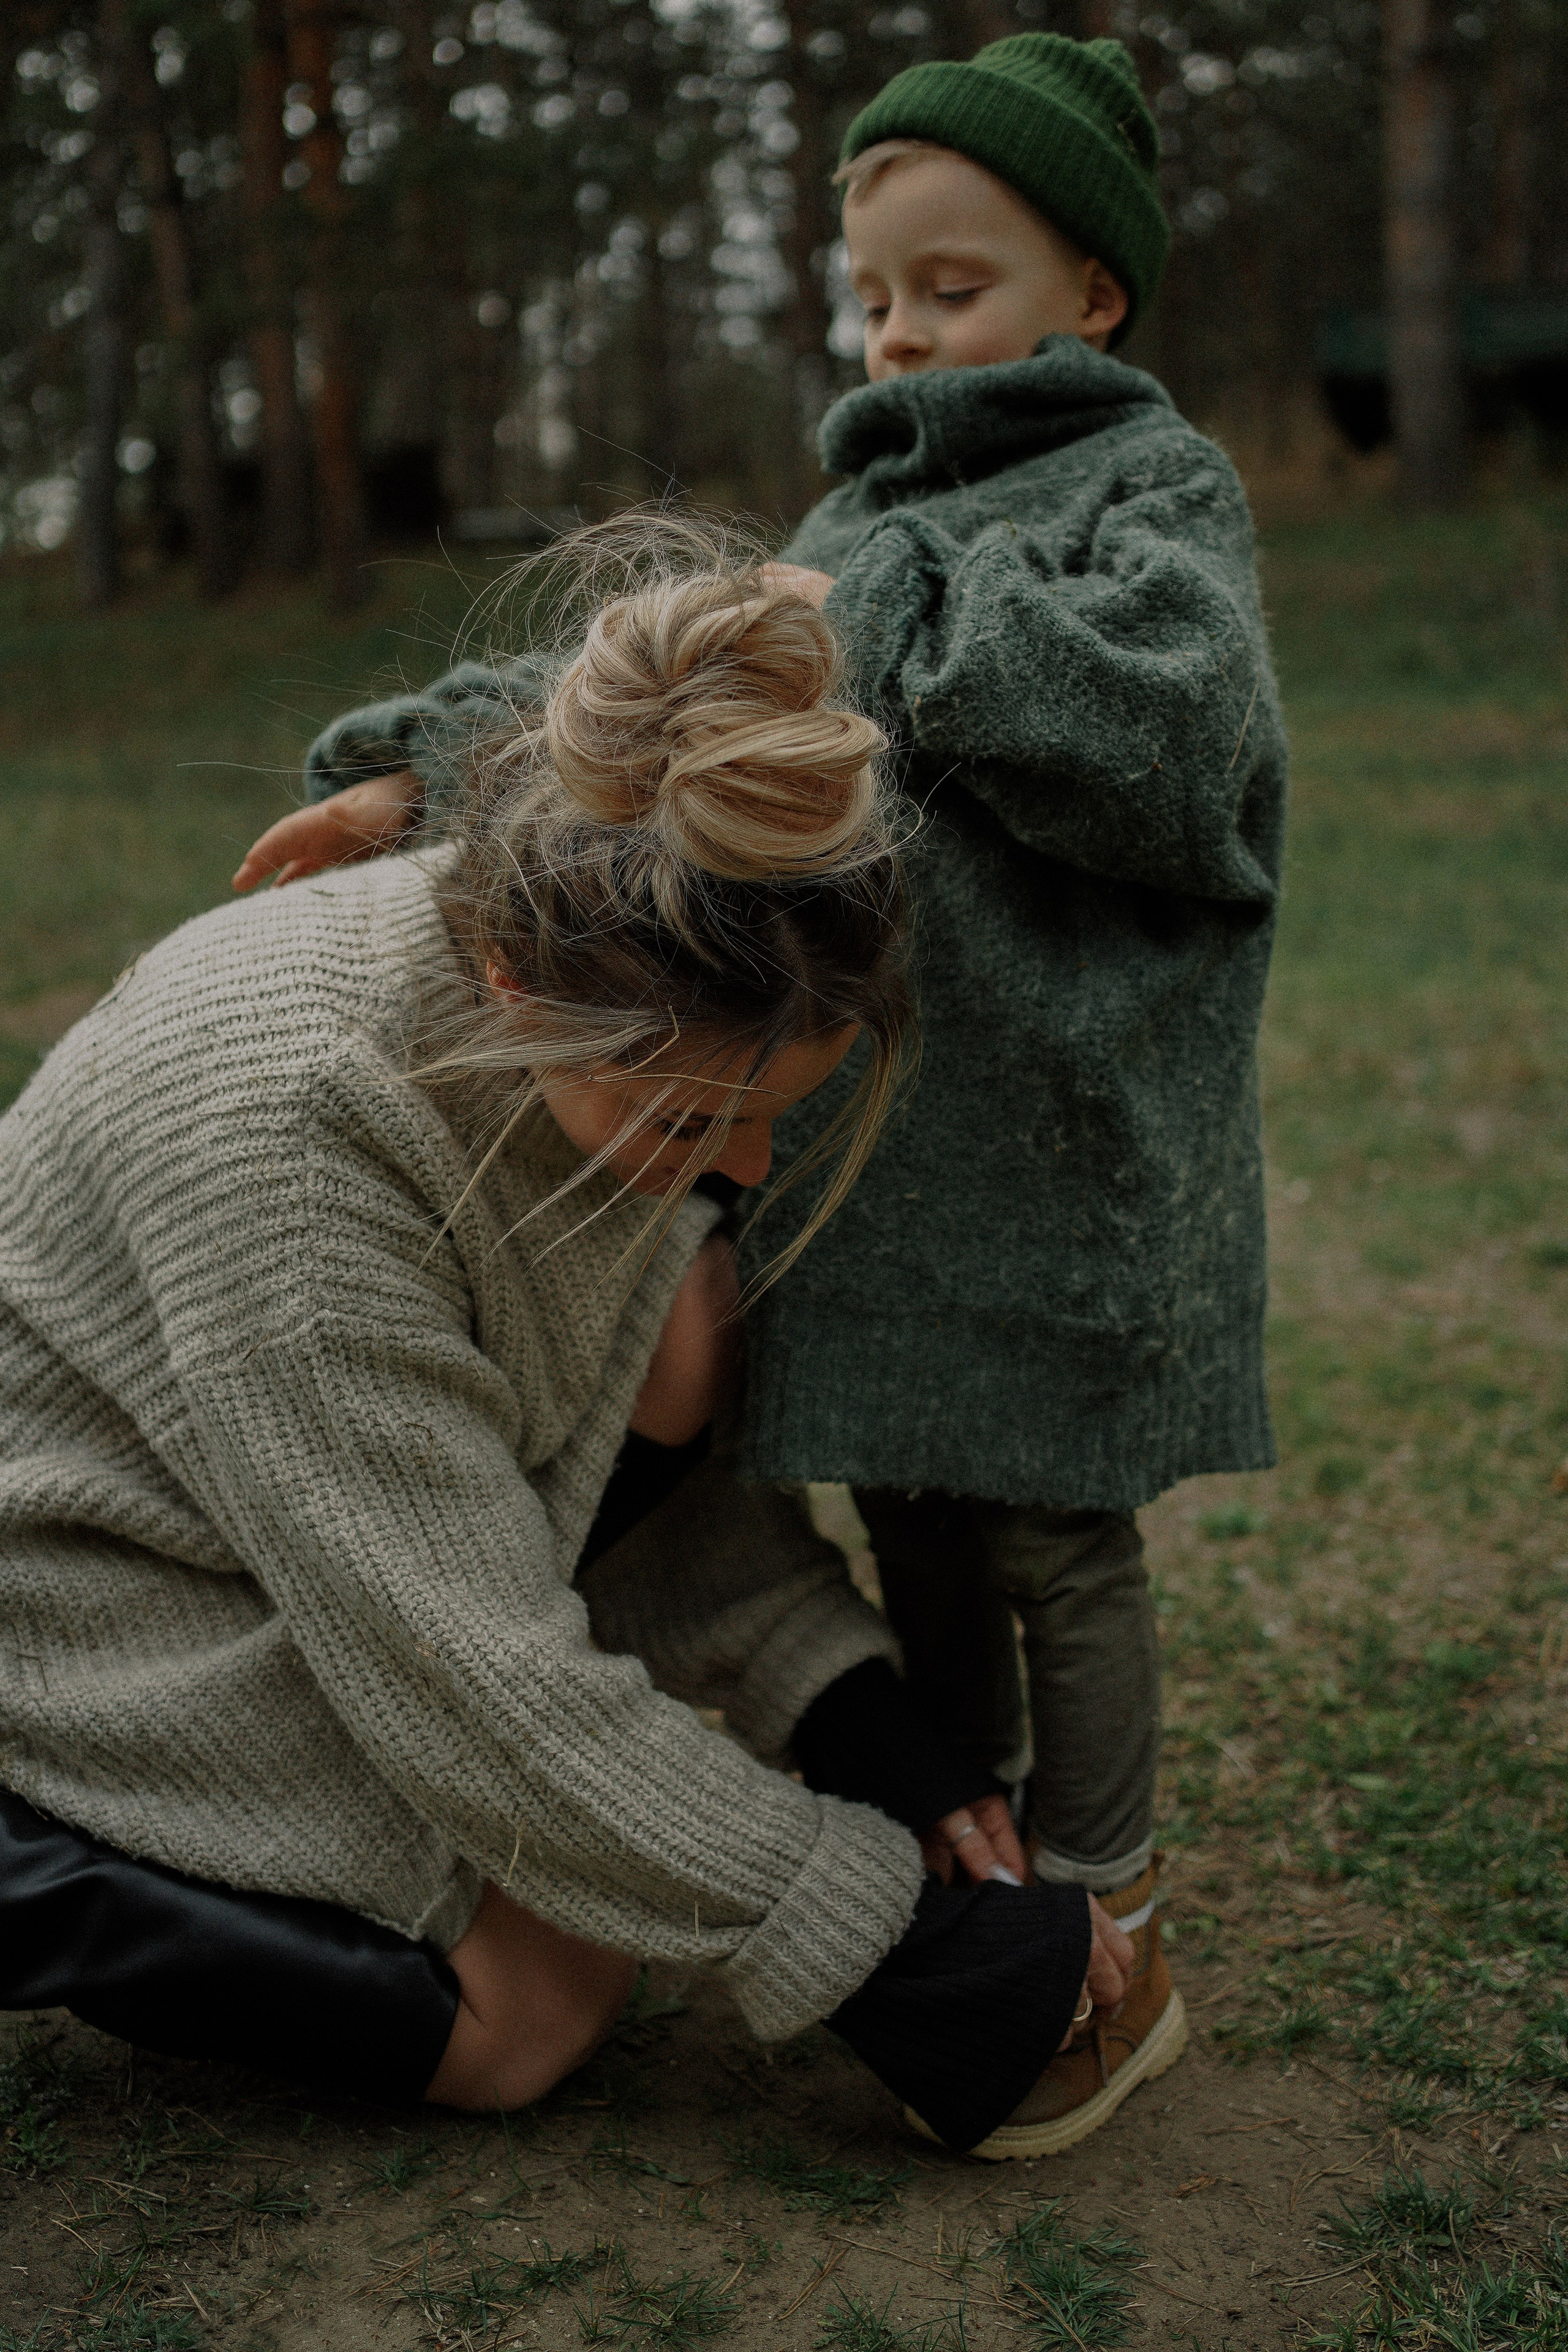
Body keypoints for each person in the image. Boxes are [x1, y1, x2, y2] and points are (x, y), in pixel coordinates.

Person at [230, 34, 1289, 2159]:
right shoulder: (860, 500)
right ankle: (961, 1829)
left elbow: (1185, 752)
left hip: (1061, 1146)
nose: (900, 333)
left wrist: (884, 609)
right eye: (875, 293)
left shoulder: (1150, 492)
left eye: (952, 288)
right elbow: (659, 689)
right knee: (911, 1513)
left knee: (1056, 1538)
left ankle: (1109, 1874)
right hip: (866, 1159)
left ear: (1094, 295)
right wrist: (423, 764)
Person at [0, 525, 1133, 2156]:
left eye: (772, 1121)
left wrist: (849, 1715)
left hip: (296, 1535)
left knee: (687, 1322)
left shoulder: (592, 998)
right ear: (513, 979)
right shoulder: (297, 1130)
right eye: (693, 1122)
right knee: (534, 2013)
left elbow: (582, 1428)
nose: (742, 1169)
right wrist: (896, 1939)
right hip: (90, 1585)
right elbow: (472, 1681)